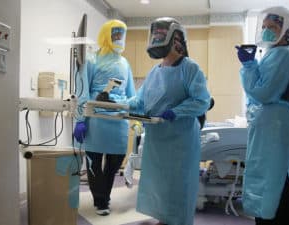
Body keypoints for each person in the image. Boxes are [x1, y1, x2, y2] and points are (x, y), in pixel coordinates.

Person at [127, 17, 211, 225]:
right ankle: (164, 220)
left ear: (176, 39)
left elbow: (202, 101)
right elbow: (139, 101)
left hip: (180, 141)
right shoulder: (155, 72)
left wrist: (176, 112)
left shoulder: (190, 68)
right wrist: (118, 104)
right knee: (159, 185)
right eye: (154, 35)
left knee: (178, 186)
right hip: (157, 140)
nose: (156, 39)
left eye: (160, 36)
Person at [235, 6, 289, 225]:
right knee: (274, 181)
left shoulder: (287, 54)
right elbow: (259, 91)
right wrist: (251, 65)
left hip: (275, 125)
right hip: (269, 125)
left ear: (287, 30)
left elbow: (263, 92)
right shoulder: (276, 53)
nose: (266, 31)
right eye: (264, 27)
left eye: (272, 27)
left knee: (272, 182)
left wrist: (248, 65)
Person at [73, 19, 136, 216]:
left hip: (119, 119)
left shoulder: (125, 63)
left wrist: (135, 119)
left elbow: (132, 94)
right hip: (96, 118)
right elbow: (82, 91)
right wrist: (80, 120)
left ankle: (104, 196)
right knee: (94, 161)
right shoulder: (92, 60)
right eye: (115, 33)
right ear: (106, 35)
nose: (119, 38)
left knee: (116, 161)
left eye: (121, 34)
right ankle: (100, 201)